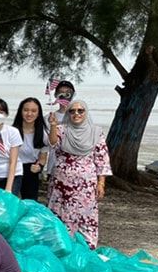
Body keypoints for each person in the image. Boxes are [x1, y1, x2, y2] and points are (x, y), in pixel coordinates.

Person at [47, 101, 111, 249]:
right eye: (72, 111)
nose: (76, 114)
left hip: (85, 186)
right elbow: (52, 144)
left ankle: (86, 249)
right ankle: (62, 248)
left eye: (80, 111)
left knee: (85, 216)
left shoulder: (96, 132)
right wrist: (53, 125)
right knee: (60, 215)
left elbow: (102, 159)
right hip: (61, 185)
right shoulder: (61, 130)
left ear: (86, 112)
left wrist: (101, 183)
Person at [14, 97, 49, 201]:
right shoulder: (13, 131)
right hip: (13, 169)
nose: (29, 114)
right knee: (11, 201)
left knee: (30, 202)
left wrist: (39, 167)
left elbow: (43, 158)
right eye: (26, 110)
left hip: (31, 170)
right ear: (20, 111)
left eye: (33, 111)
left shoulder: (42, 133)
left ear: (38, 113)